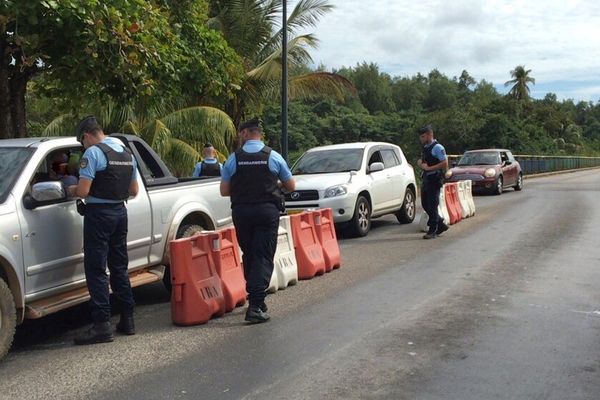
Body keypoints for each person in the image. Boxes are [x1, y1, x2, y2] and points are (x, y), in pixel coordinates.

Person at [68, 116, 139, 345]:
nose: (83, 146)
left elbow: (83, 190)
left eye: (82, 141)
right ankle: (127, 320)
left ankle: (101, 326)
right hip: (120, 213)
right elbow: (135, 190)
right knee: (119, 266)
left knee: (96, 268)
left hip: (99, 216)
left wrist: (71, 189)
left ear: (87, 135)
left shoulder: (93, 153)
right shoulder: (126, 153)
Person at [220, 118, 295, 324]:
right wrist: (273, 183)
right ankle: (255, 305)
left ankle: (256, 300)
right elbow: (291, 185)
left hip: (242, 212)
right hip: (266, 211)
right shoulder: (274, 156)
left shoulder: (233, 159)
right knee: (263, 255)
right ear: (259, 134)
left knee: (251, 253)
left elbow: (224, 191)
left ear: (245, 133)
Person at [417, 124, 449, 239]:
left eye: (423, 136)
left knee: (432, 204)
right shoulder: (426, 147)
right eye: (421, 137)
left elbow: (444, 163)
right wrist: (420, 164)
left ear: (430, 135)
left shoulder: (438, 147)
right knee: (425, 204)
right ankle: (440, 223)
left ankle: (433, 229)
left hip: (434, 178)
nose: (421, 139)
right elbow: (422, 160)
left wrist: (429, 168)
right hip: (426, 178)